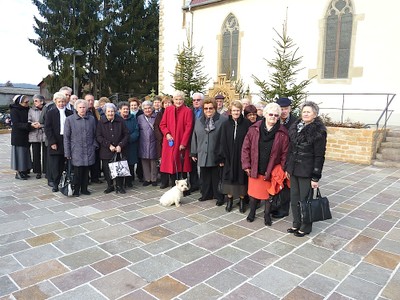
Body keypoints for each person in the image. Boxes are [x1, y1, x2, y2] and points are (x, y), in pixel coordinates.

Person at [241, 103, 289, 226]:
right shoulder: (254, 129)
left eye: (276, 115)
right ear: (265, 114)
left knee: (269, 194)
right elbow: (245, 148)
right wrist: (246, 165)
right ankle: (252, 212)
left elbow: (285, 153)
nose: (273, 117)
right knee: (253, 193)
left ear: (279, 117)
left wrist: (283, 169)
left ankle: (267, 215)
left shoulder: (282, 133)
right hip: (255, 167)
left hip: (271, 168)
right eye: (271, 114)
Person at [285, 101, 327, 237]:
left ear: (315, 114)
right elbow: (290, 150)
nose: (306, 114)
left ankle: (306, 226)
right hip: (294, 169)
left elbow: (319, 155)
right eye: (304, 111)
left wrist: (316, 176)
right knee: (294, 198)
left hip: (307, 171)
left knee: (305, 200)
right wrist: (288, 168)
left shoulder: (318, 131)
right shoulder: (295, 127)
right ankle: (296, 223)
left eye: (309, 111)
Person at [191, 98, 227, 203]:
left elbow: (224, 139)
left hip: (216, 153)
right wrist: (193, 152)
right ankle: (206, 194)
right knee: (204, 176)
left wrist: (223, 155)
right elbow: (194, 136)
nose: (208, 110)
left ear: (215, 108)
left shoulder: (222, 120)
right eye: (206, 108)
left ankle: (218, 196)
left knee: (216, 176)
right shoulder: (199, 120)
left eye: (210, 108)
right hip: (202, 152)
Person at [219, 100, 251, 212]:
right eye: (233, 110)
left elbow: (249, 141)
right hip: (229, 156)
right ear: (230, 111)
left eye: (238, 110)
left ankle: (242, 201)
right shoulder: (225, 124)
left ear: (241, 111)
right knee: (229, 179)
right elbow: (222, 141)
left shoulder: (247, 124)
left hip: (241, 157)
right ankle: (230, 200)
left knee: (241, 180)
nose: (236, 112)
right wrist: (222, 157)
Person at [159, 90, 193, 188]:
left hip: (181, 141)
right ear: (173, 100)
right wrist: (167, 134)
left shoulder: (187, 111)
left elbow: (188, 128)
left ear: (183, 100)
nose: (178, 101)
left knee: (182, 165)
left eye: (180, 99)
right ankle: (173, 185)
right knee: (171, 164)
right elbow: (162, 124)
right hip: (170, 141)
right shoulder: (168, 110)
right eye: (176, 99)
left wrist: (183, 143)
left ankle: (184, 186)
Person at [64, 99, 97, 196]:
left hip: (89, 148)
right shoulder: (69, 119)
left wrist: (94, 145)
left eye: (84, 107)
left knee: (86, 170)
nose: (82, 109)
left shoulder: (91, 119)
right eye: (80, 107)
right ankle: (76, 189)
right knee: (77, 171)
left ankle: (85, 188)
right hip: (76, 149)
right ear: (76, 108)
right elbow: (66, 137)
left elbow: (95, 133)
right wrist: (67, 152)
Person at [271, 97, 297, 219]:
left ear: (290, 109)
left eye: (286, 108)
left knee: (286, 184)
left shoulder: (295, 122)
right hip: (275, 156)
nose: (284, 111)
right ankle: (275, 205)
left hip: (289, 156)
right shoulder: (274, 120)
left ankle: (283, 209)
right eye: (281, 109)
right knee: (276, 180)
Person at [96, 103, 129, 194]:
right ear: (105, 112)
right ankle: (110, 185)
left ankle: (120, 186)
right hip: (106, 150)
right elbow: (98, 136)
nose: (110, 113)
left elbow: (126, 134)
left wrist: (120, 145)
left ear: (115, 112)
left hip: (119, 149)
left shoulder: (120, 121)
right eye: (108, 111)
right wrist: (108, 145)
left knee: (119, 168)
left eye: (112, 111)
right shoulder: (101, 122)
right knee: (107, 170)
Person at [44, 92, 73, 192]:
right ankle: (55, 183)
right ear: (55, 102)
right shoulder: (51, 113)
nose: (61, 103)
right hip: (55, 141)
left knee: (64, 163)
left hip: (66, 140)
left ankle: (65, 181)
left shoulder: (70, 112)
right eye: (59, 101)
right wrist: (52, 142)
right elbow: (48, 128)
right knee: (55, 164)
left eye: (63, 101)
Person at [10, 95, 38, 180]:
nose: (27, 103)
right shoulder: (14, 110)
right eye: (25, 102)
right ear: (20, 102)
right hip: (18, 136)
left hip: (26, 135)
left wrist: (32, 124)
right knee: (19, 155)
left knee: (25, 154)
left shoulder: (27, 109)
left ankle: (24, 171)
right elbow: (16, 124)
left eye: (28, 102)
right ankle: (19, 172)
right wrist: (30, 125)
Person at [118, 101, 139, 187]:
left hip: (131, 144)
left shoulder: (133, 118)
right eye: (124, 109)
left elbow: (136, 131)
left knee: (130, 163)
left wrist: (128, 139)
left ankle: (129, 181)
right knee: (121, 163)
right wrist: (121, 142)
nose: (126, 110)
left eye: (127, 109)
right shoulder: (117, 119)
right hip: (120, 145)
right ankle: (121, 182)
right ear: (119, 110)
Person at [137, 100, 158, 186]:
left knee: (153, 161)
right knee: (144, 160)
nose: (147, 110)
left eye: (149, 108)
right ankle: (147, 179)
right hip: (143, 142)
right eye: (145, 108)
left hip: (154, 141)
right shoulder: (140, 118)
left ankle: (154, 179)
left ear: (152, 108)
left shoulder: (156, 116)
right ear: (143, 109)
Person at [154, 96, 173, 185]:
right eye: (165, 103)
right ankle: (164, 181)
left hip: (171, 139)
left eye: (169, 103)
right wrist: (161, 137)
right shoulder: (160, 114)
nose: (167, 104)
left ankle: (173, 180)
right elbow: (156, 126)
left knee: (172, 160)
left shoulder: (174, 112)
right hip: (162, 141)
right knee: (163, 161)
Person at [85, 93, 102, 184]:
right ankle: (86, 178)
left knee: (96, 159)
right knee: (87, 160)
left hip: (96, 139)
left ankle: (95, 177)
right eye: (88, 100)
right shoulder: (83, 111)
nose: (90, 102)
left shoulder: (96, 111)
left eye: (92, 100)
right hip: (87, 139)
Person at [28, 94, 46, 179]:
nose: (34, 102)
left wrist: (41, 125)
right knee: (36, 154)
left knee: (45, 154)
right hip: (34, 134)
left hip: (45, 134)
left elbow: (49, 120)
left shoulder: (47, 109)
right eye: (34, 100)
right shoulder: (31, 110)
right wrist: (32, 124)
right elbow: (29, 119)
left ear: (41, 101)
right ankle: (37, 171)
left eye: (36, 100)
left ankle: (46, 170)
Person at [189, 92, 204, 193]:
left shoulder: (206, 111)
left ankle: (204, 186)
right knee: (192, 164)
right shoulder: (190, 111)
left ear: (202, 101)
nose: (196, 102)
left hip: (202, 140)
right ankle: (194, 184)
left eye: (198, 100)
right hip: (191, 140)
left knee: (203, 164)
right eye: (194, 100)